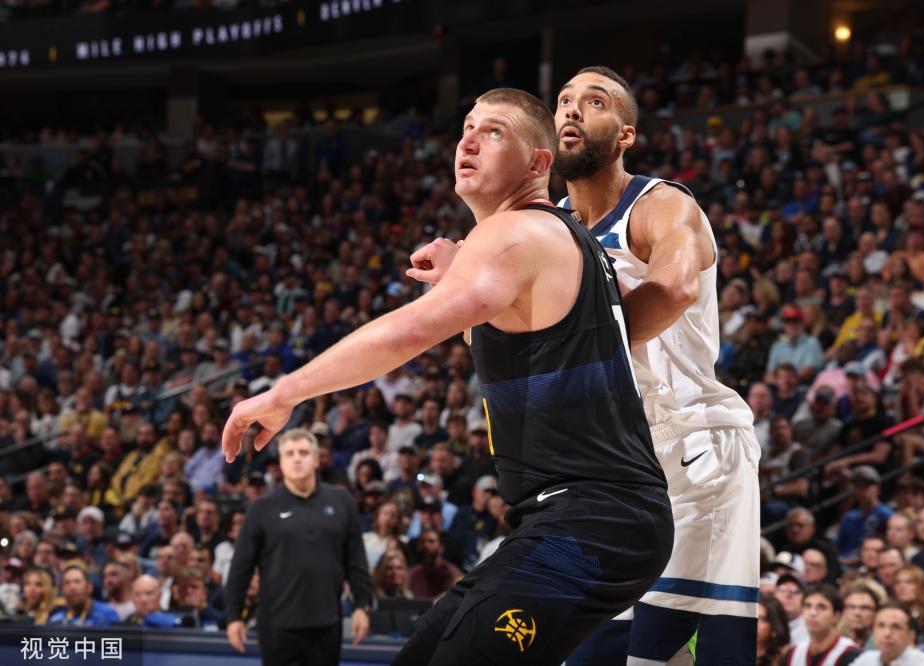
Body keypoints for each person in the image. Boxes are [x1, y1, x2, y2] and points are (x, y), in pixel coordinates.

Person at [222, 87, 673, 665]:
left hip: (594, 519)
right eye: (466, 128)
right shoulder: (547, 239)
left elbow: (408, 333)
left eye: (494, 131)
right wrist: (461, 278)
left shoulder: (516, 233)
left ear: (538, 163)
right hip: (578, 518)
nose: (468, 141)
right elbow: (527, 341)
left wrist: (284, 393)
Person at [545, 64, 760, 666]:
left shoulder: (661, 204)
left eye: (595, 101)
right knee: (588, 654)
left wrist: (572, 356)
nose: (572, 109)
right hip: (605, 464)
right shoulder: (549, 225)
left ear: (626, 134)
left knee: (664, 654)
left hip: (690, 450)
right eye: (563, 100)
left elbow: (674, 288)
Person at [223, 429, 373, 666]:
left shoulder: (342, 501)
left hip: (327, 623)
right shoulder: (261, 508)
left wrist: (362, 605)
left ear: (316, 459)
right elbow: (241, 567)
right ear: (281, 462)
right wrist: (233, 616)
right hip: (277, 626)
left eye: (303, 453)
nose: (297, 459)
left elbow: (356, 560)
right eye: (289, 453)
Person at [784, 584, 860, 666]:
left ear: (837, 616)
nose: (813, 613)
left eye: (821, 607)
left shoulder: (850, 654)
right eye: (808, 606)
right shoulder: (794, 653)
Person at [851, 602, 924, 666]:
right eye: (881, 625)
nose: (887, 633)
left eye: (896, 627)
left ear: (911, 635)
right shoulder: (865, 660)